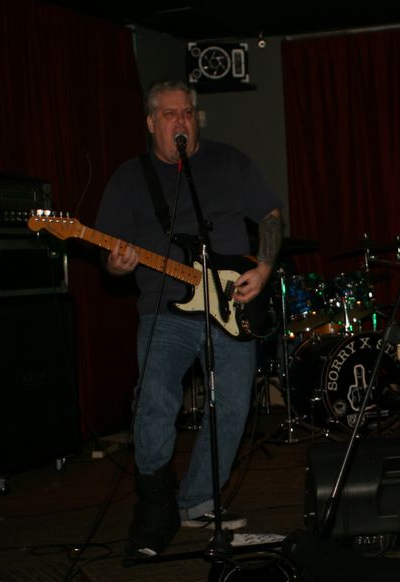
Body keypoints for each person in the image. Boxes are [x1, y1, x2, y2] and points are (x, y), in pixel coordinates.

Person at [95, 78, 284, 557]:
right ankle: (155, 504)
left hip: (232, 304)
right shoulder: (129, 179)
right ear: (150, 122)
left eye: (186, 113)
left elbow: (270, 216)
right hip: (165, 309)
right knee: (156, 400)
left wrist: (263, 268)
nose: (180, 121)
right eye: (169, 114)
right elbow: (109, 257)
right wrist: (116, 264)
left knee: (234, 406)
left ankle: (197, 499)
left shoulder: (229, 162)